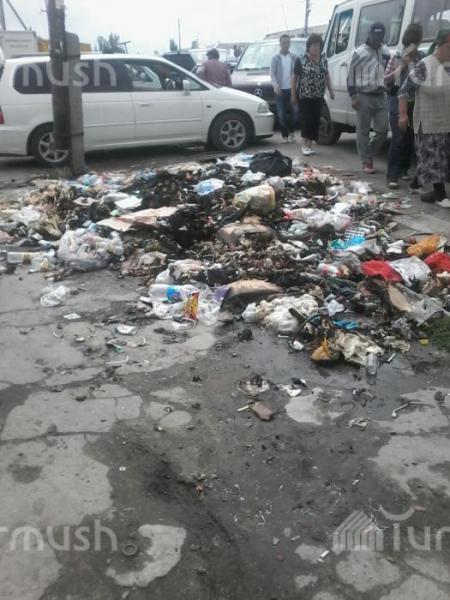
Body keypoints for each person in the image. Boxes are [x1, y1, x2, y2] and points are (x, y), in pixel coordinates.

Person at [399, 29, 450, 205]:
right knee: (435, 158)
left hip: (446, 119)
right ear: (439, 45)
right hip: (429, 122)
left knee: (438, 158)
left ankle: (416, 184)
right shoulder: (425, 65)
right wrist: (403, 115)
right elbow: (404, 91)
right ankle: (440, 195)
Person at [347, 22, 390, 174]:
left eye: (380, 35)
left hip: (381, 95)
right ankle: (366, 162)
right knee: (363, 131)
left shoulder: (386, 51)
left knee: (383, 130)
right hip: (363, 95)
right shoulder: (359, 53)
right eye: (375, 34)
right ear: (369, 34)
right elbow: (351, 76)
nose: (377, 38)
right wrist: (353, 96)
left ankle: (368, 153)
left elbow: (389, 71)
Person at [384, 23, 424, 190]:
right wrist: (403, 65)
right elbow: (387, 80)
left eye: (415, 43)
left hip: (415, 101)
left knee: (410, 138)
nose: (412, 47)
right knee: (398, 137)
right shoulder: (397, 56)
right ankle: (392, 175)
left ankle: (403, 168)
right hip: (396, 99)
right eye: (410, 43)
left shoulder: (422, 58)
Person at [291, 34, 335, 156]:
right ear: (308, 47)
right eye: (313, 45)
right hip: (304, 96)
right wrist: (293, 94)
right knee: (306, 120)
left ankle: (309, 145)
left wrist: (331, 90)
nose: (316, 48)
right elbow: (294, 78)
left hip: (318, 95)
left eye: (318, 45)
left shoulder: (323, 60)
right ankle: (304, 145)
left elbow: (327, 76)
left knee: (315, 120)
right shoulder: (301, 60)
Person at [270, 34, 298, 144]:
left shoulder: (294, 57)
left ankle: (292, 132)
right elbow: (272, 74)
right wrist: (275, 86)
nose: (286, 44)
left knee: (294, 113)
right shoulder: (275, 58)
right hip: (280, 90)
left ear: (290, 44)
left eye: (287, 42)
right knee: (281, 114)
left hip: (292, 90)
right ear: (280, 44)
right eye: (283, 42)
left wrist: (295, 89)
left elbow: (297, 74)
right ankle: (284, 135)